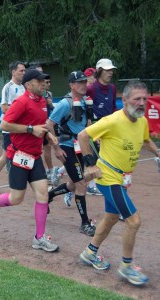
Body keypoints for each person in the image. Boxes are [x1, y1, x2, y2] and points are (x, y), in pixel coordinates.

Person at [78, 80, 160, 286]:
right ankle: (126, 266)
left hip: (123, 179)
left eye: (144, 98)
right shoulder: (112, 120)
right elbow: (83, 136)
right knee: (134, 221)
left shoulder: (140, 121)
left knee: (111, 218)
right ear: (124, 100)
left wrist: (158, 152)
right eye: (137, 99)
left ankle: (90, 252)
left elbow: (145, 140)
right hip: (108, 178)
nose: (142, 103)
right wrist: (89, 165)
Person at [0, 69, 60, 253]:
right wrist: (30, 130)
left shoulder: (43, 102)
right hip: (18, 156)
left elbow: (42, 124)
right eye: (39, 81)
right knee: (16, 199)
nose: (43, 84)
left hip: (35, 156)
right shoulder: (21, 101)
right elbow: (4, 125)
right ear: (28, 85)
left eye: (44, 81)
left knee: (43, 194)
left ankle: (39, 238)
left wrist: (49, 135)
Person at [46, 71, 96, 236]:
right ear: (71, 85)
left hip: (81, 147)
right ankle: (84, 223)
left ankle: (50, 194)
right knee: (81, 184)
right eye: (79, 82)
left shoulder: (84, 102)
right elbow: (49, 125)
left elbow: (85, 125)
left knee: (74, 184)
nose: (83, 85)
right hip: (67, 147)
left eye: (84, 82)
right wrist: (57, 148)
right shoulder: (65, 104)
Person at [0, 61, 25, 195]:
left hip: (21, 128)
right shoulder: (8, 87)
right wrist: (21, 112)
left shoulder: (24, 88)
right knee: (5, 156)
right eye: (21, 71)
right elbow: (4, 108)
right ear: (13, 72)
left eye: (24, 71)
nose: (23, 73)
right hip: (9, 128)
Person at [86, 58, 118, 196]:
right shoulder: (91, 88)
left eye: (111, 70)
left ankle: (75, 186)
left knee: (107, 158)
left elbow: (113, 107)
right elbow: (84, 108)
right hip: (95, 127)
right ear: (99, 72)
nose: (110, 73)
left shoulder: (112, 88)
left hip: (109, 126)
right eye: (107, 70)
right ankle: (90, 185)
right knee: (98, 158)